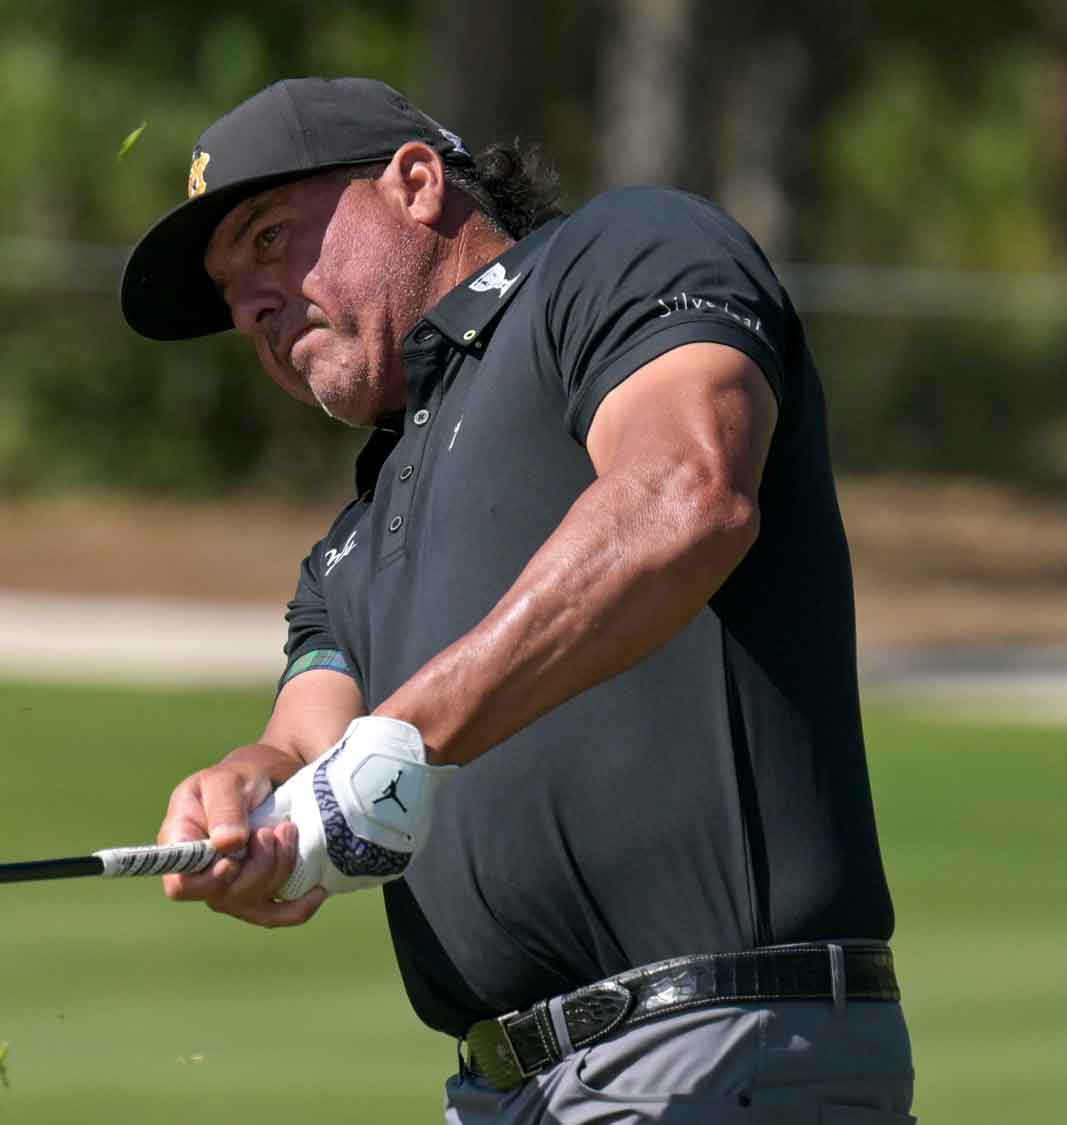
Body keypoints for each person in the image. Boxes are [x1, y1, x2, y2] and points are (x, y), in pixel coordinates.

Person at [119, 77, 913, 1123]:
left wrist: (401, 734)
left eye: (270, 241)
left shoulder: (619, 255)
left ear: (411, 184)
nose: (252, 306)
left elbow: (686, 496)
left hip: (719, 1049)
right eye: (230, 295)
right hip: (501, 1089)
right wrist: (243, 799)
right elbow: (310, 746)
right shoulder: (348, 546)